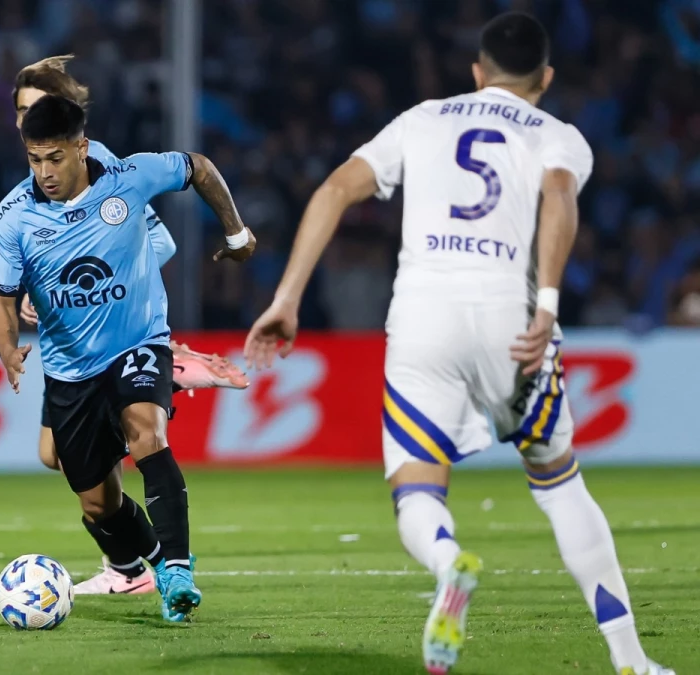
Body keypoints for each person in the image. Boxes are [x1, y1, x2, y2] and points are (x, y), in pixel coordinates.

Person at [243, 12, 672, 675]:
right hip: (512, 321)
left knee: (417, 491)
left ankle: (448, 563)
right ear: (546, 78)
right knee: (559, 485)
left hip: (423, 317)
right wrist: (549, 303)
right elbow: (559, 197)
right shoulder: (560, 136)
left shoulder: (422, 118)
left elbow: (334, 188)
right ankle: (630, 658)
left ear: (477, 72)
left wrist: (287, 297)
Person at [0, 95, 255, 622]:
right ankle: (152, 561)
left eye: (55, 158)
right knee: (97, 505)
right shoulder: (11, 219)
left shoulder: (127, 176)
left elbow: (198, 167)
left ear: (81, 148)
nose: (44, 171)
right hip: (69, 371)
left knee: (146, 433)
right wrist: (6, 350)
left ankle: (177, 570)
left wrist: (236, 230)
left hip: (137, 342)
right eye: (34, 159)